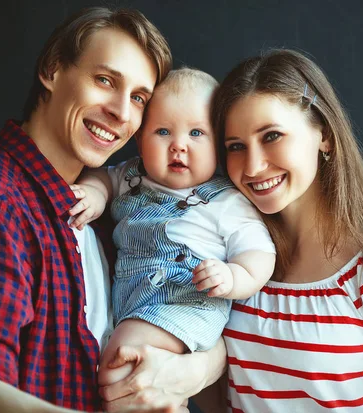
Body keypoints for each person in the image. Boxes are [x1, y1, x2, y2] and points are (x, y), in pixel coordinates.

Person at [0, 7, 226, 413]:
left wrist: (193, 370)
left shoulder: (112, 213)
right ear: (51, 71)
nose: (121, 112)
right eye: (105, 80)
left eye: (138, 98)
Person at [203, 49, 363, 412]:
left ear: (324, 135)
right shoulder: (230, 261)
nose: (253, 165)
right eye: (236, 146)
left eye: (272, 135)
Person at [68, 68, 276, 386]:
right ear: (139, 138)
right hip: (133, 303)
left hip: (187, 301)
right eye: (163, 132)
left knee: (120, 363)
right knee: (141, 380)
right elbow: (101, 177)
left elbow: (260, 253)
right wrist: (96, 194)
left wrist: (233, 277)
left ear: (218, 145)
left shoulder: (226, 201)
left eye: (196, 133)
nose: (178, 146)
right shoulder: (130, 176)